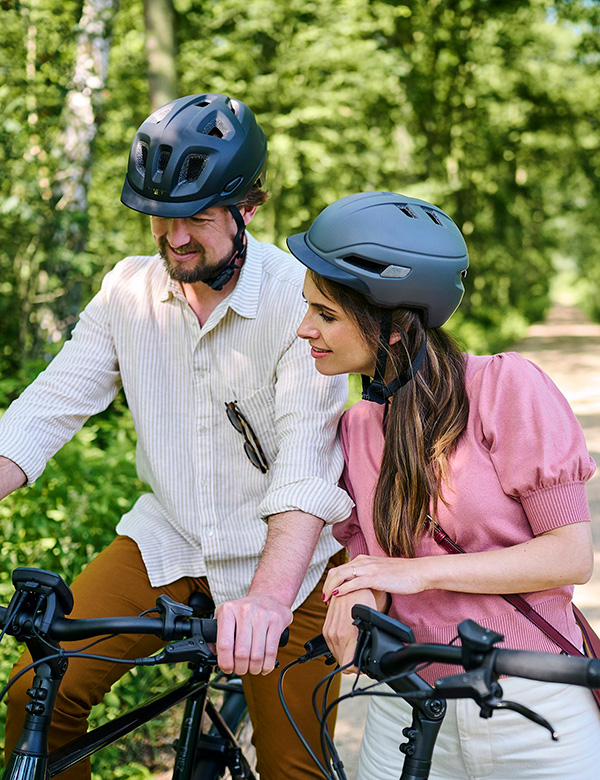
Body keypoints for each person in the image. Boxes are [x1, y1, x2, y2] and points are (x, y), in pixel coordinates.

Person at [0, 93, 352, 780]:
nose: (175, 237)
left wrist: (269, 600)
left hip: (287, 565)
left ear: (248, 208)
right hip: (171, 541)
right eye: (161, 217)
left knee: (296, 768)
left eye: (197, 217)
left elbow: (307, 464)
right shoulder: (128, 292)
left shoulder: (297, 298)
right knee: (35, 693)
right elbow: (47, 407)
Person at [286, 190, 600, 780]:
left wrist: (418, 571)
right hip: (402, 705)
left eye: (326, 314)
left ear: (396, 326)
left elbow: (569, 555)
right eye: (309, 308)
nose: (305, 330)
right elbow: (370, 565)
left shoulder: (506, 388)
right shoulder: (355, 426)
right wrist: (359, 595)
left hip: (529, 705)